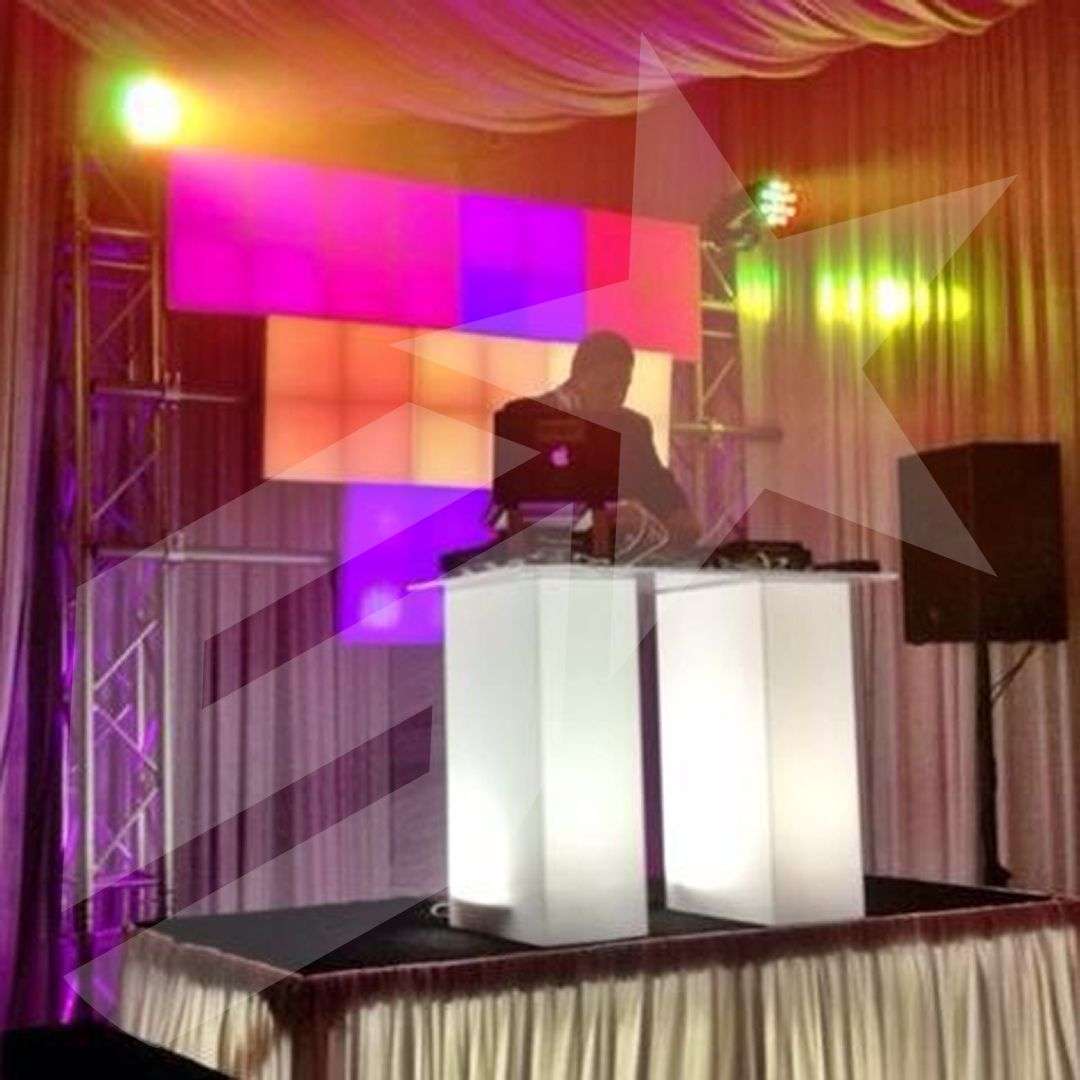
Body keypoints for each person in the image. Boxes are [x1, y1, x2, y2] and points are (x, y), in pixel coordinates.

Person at [522, 329, 700, 546]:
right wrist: (599, 515)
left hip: (624, 552)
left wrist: (678, 513)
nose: (617, 396)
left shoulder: (634, 427)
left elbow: (657, 484)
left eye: (625, 386)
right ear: (579, 380)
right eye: (607, 386)